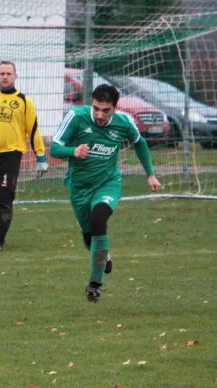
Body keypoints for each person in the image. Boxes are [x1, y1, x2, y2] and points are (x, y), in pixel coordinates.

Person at [50, 84, 161, 303]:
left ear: (114, 108)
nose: (100, 115)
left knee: (99, 220)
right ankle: (104, 254)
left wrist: (150, 174)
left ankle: (95, 284)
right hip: (79, 188)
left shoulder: (124, 122)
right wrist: (73, 151)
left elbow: (140, 144)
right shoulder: (76, 117)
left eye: (106, 110)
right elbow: (54, 148)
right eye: (96, 108)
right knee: (89, 236)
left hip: (108, 184)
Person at [0, 61, 48, 251]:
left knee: (4, 198)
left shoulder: (24, 101)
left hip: (11, 156)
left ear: (15, 76)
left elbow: (33, 129)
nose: (5, 76)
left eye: (8, 73)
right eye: (2, 73)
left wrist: (41, 156)